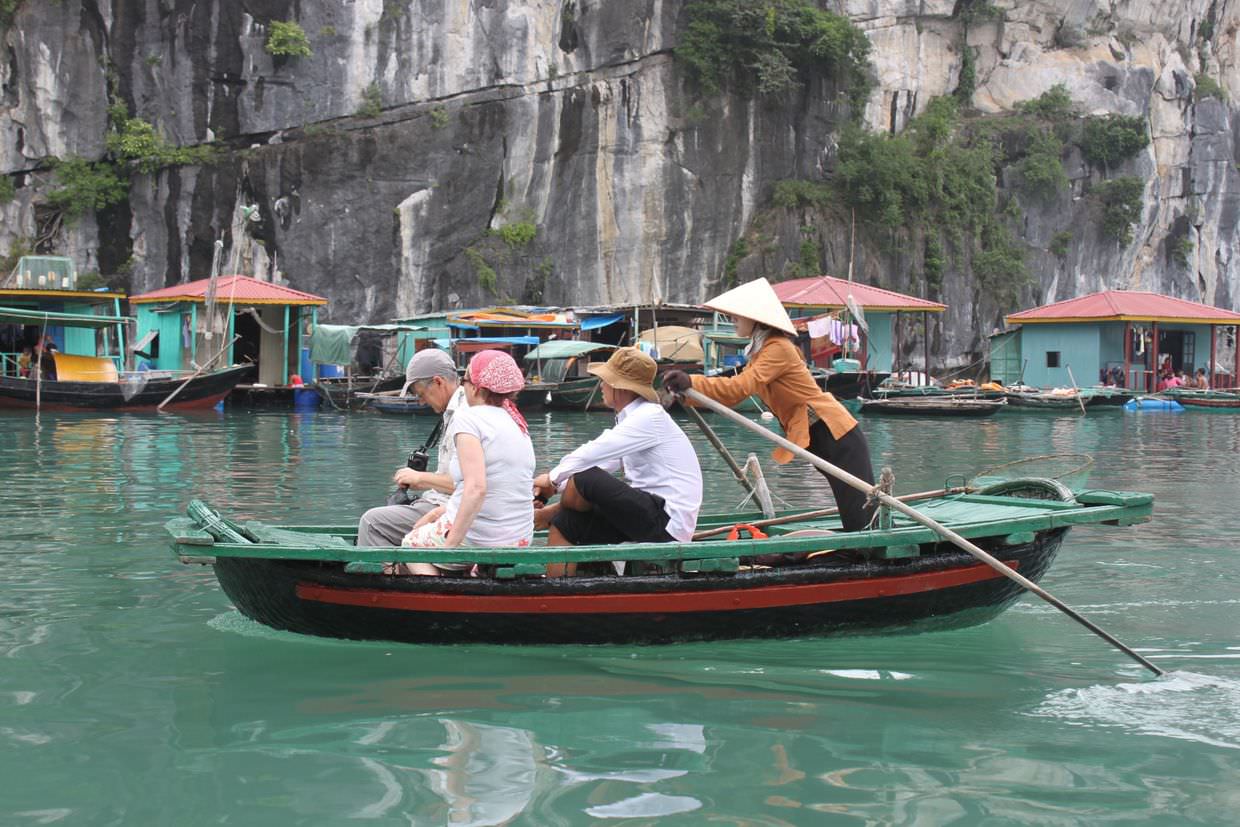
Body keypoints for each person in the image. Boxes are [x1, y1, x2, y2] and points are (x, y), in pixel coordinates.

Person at [663, 277, 877, 532]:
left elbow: (738, 388)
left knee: (860, 508)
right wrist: (691, 388)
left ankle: (873, 555)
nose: (733, 319)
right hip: (818, 434)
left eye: (738, 315)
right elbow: (732, 385)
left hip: (835, 432)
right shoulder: (760, 352)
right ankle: (858, 550)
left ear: (756, 318)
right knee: (850, 505)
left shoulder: (778, 348)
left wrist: (692, 382)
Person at [533, 347, 703, 563]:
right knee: (566, 522)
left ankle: (547, 514)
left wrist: (550, 481)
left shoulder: (649, 417)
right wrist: (554, 485)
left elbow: (592, 454)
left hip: (668, 522)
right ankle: (556, 592)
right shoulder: (631, 421)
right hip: (649, 515)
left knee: (585, 476)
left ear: (618, 386)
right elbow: (605, 462)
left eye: (605, 380)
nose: (601, 386)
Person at [392, 349, 536, 575]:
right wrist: (439, 512)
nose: (462, 385)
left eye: (465, 380)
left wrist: (449, 549)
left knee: (411, 544)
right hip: (520, 537)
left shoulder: (467, 418)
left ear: (476, 387)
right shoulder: (517, 422)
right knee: (434, 526)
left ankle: (438, 598)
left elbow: (476, 489)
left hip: (481, 539)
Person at [356, 349, 465, 546]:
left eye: (421, 394)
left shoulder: (464, 416)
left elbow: (469, 483)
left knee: (372, 522)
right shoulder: (454, 412)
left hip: (449, 507)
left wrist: (420, 478)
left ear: (438, 382)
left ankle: (393, 574)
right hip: (441, 502)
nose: (422, 401)